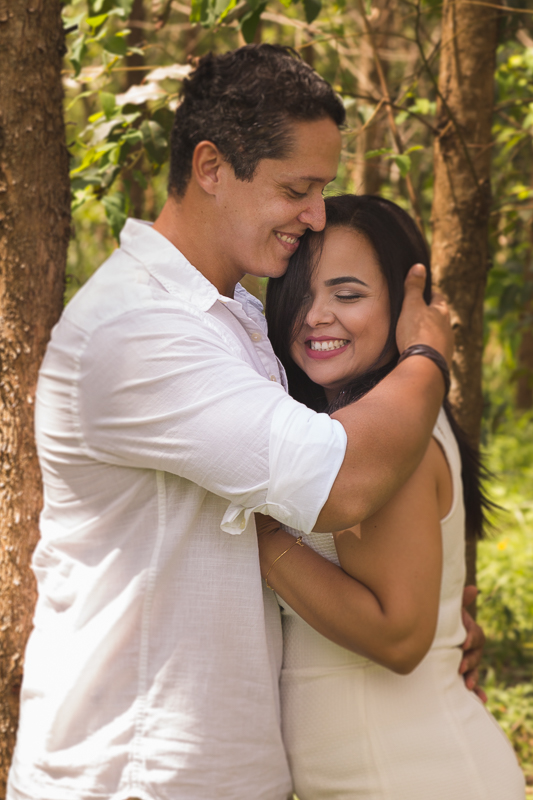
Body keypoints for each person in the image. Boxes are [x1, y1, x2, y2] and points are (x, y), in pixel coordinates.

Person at [8, 46, 481, 800]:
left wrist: (435, 624)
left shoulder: (237, 321)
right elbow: (342, 481)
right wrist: (426, 352)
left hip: (222, 769)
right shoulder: (140, 330)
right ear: (210, 166)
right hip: (133, 769)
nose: (316, 215)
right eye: (297, 188)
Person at [259, 194, 525, 799]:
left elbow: (399, 637)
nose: (315, 315)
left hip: (416, 776)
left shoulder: (388, 449)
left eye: (348, 295)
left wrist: (260, 537)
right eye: (299, 293)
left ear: (409, 309)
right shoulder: (341, 429)